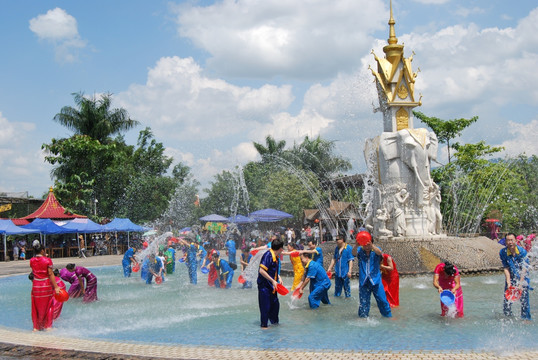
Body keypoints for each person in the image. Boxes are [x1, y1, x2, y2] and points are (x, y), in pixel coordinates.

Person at [352, 231, 392, 318]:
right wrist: (356, 245)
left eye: (368, 245)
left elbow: (380, 253)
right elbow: (353, 253)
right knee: (363, 302)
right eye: (365, 245)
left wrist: (372, 246)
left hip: (376, 281)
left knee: (382, 300)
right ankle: (363, 317)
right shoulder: (360, 250)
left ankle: (387, 316)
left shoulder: (376, 249)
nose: (366, 247)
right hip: (364, 281)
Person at [29, 240, 61, 331]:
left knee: (35, 306)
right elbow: (50, 274)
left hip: (36, 285)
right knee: (49, 305)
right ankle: (48, 326)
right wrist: (56, 287)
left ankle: (36, 327)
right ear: (42, 250)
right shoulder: (47, 260)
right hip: (45, 285)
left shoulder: (31, 261)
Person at [500, 233, 531, 320]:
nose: (510, 242)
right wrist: (509, 282)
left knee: (524, 299)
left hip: (522, 277)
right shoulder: (503, 252)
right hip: (511, 277)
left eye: (511, 240)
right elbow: (506, 268)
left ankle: (526, 318)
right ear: (505, 242)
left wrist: (520, 284)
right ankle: (507, 316)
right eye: (508, 240)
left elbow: (524, 269)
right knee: (507, 298)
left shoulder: (522, 252)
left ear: (516, 241)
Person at [257, 238, 284, 328]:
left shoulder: (275, 257)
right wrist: (273, 281)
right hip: (264, 287)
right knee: (265, 308)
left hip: (272, 287)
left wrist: (278, 277)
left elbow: (273, 270)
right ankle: (264, 327)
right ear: (280, 249)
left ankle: (275, 327)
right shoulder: (268, 255)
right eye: (282, 248)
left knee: (275, 307)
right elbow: (261, 270)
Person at [327, 232, 354, 298]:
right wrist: (330, 268)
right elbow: (334, 259)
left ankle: (347, 303)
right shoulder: (337, 248)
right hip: (338, 273)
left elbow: (351, 260)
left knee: (347, 291)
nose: (336, 241)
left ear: (342, 240)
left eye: (337, 239)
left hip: (345, 273)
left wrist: (350, 271)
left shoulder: (348, 248)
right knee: (337, 292)